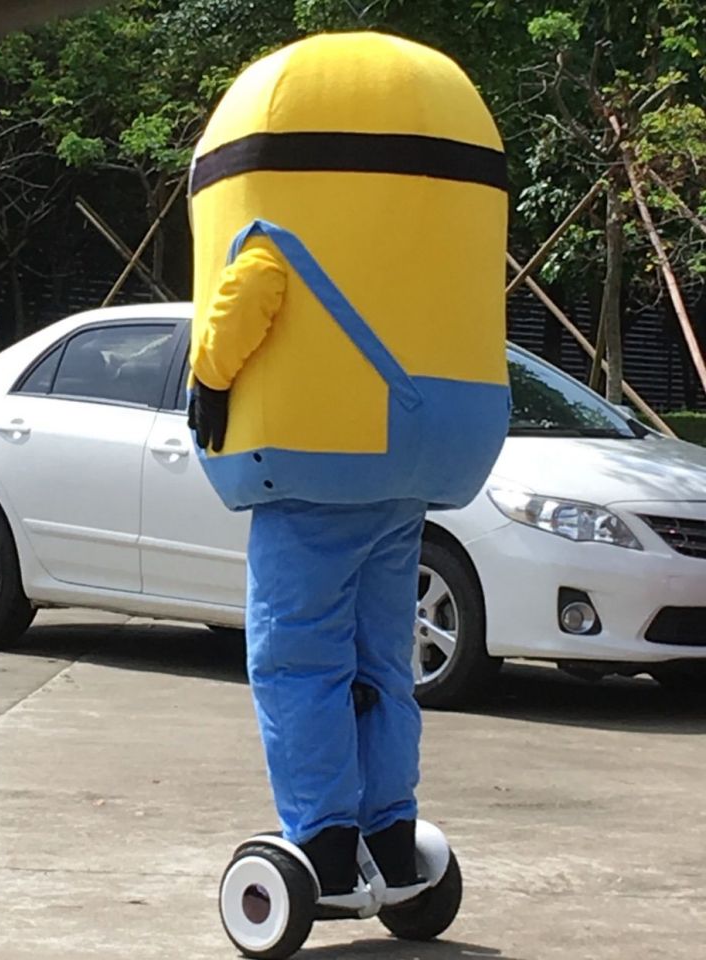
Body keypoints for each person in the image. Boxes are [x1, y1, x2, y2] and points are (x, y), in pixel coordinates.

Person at [187, 32, 510, 896]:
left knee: (298, 661)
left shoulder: (272, 140)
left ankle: (325, 843)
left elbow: (253, 285)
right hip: (417, 460)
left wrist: (209, 376)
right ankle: (391, 833)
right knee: (383, 664)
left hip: (314, 455)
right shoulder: (453, 119)